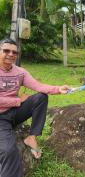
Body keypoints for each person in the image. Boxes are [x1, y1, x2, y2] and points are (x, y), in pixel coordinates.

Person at [0, 38, 69, 177]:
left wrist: (58, 88)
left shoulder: (20, 72)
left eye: (14, 52)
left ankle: (32, 137)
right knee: (8, 150)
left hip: (15, 113)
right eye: (6, 50)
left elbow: (38, 86)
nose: (11, 54)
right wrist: (18, 101)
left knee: (41, 97)